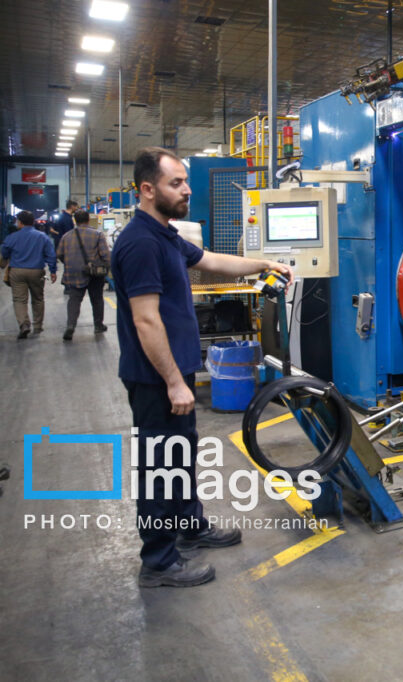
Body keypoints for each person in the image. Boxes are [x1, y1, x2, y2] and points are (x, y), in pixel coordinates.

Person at [112, 147, 292, 588]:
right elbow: (146, 320)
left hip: (175, 371)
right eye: (176, 183)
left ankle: (189, 527)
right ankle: (158, 561)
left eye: (186, 181)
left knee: (180, 456)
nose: (187, 190)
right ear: (147, 189)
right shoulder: (139, 243)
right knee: (159, 467)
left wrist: (263, 264)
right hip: (155, 377)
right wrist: (174, 382)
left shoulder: (166, 234)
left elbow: (210, 261)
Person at [1, 211, 57, 339]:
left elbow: (4, 251)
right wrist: (53, 271)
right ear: (33, 222)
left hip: (17, 271)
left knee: (19, 300)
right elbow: (51, 255)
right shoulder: (42, 236)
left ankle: (24, 324)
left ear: (20, 222)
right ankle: (37, 326)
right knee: (38, 298)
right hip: (37, 271)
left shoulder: (12, 237)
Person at [56, 209, 110, 341]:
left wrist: (70, 263)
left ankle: (71, 325)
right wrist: (106, 267)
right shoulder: (97, 234)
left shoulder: (66, 236)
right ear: (88, 220)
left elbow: (59, 254)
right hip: (94, 273)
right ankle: (98, 325)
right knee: (97, 299)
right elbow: (105, 255)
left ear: (75, 220)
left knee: (74, 299)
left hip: (74, 272)